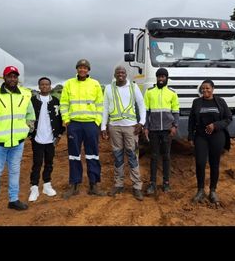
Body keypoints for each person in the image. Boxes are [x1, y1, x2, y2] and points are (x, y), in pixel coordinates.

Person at [0, 65, 36, 219]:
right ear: (4, 78)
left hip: (18, 142)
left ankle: (13, 200)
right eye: (10, 76)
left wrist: (28, 128)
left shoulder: (25, 95)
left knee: (14, 170)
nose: (13, 79)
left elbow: (30, 114)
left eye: (15, 76)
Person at [60, 59, 105, 198]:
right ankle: (74, 185)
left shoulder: (95, 84)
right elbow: (64, 103)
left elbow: (99, 104)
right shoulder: (69, 84)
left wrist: (97, 121)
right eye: (80, 67)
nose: (82, 70)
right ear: (77, 69)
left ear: (88, 70)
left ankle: (94, 184)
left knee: (92, 154)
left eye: (85, 68)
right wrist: (66, 120)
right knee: (74, 155)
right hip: (74, 125)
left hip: (91, 125)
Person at [101, 66, 146, 201]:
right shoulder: (109, 88)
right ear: (114, 75)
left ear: (126, 74)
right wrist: (103, 126)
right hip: (114, 127)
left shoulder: (133, 87)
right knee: (118, 156)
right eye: (118, 72)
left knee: (132, 156)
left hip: (131, 127)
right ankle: (118, 184)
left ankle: (137, 187)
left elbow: (141, 104)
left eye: (123, 72)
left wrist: (142, 123)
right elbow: (105, 108)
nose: (120, 74)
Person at [188, 79, 232, 205]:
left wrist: (216, 125)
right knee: (200, 163)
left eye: (207, 88)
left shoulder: (220, 102)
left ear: (213, 89)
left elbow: (228, 118)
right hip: (201, 136)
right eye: (203, 88)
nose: (205, 90)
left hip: (217, 136)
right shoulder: (197, 102)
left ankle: (213, 191)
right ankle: (200, 190)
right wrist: (191, 137)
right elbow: (191, 120)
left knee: (214, 164)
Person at [28, 77, 66, 202]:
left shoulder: (55, 100)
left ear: (50, 87)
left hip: (51, 139)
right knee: (37, 163)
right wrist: (30, 134)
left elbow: (59, 118)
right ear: (39, 87)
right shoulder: (32, 101)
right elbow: (26, 117)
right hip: (37, 138)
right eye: (42, 85)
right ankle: (34, 187)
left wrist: (59, 134)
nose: (44, 86)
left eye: (47, 84)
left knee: (49, 162)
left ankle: (47, 185)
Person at [144, 67, 180, 195]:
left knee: (166, 157)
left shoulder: (172, 93)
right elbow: (146, 112)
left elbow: (176, 112)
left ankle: (166, 183)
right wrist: (146, 127)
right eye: (159, 76)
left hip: (167, 130)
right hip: (153, 130)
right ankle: (152, 184)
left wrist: (174, 126)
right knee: (154, 157)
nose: (161, 79)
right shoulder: (149, 92)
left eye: (163, 76)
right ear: (156, 78)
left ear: (166, 78)